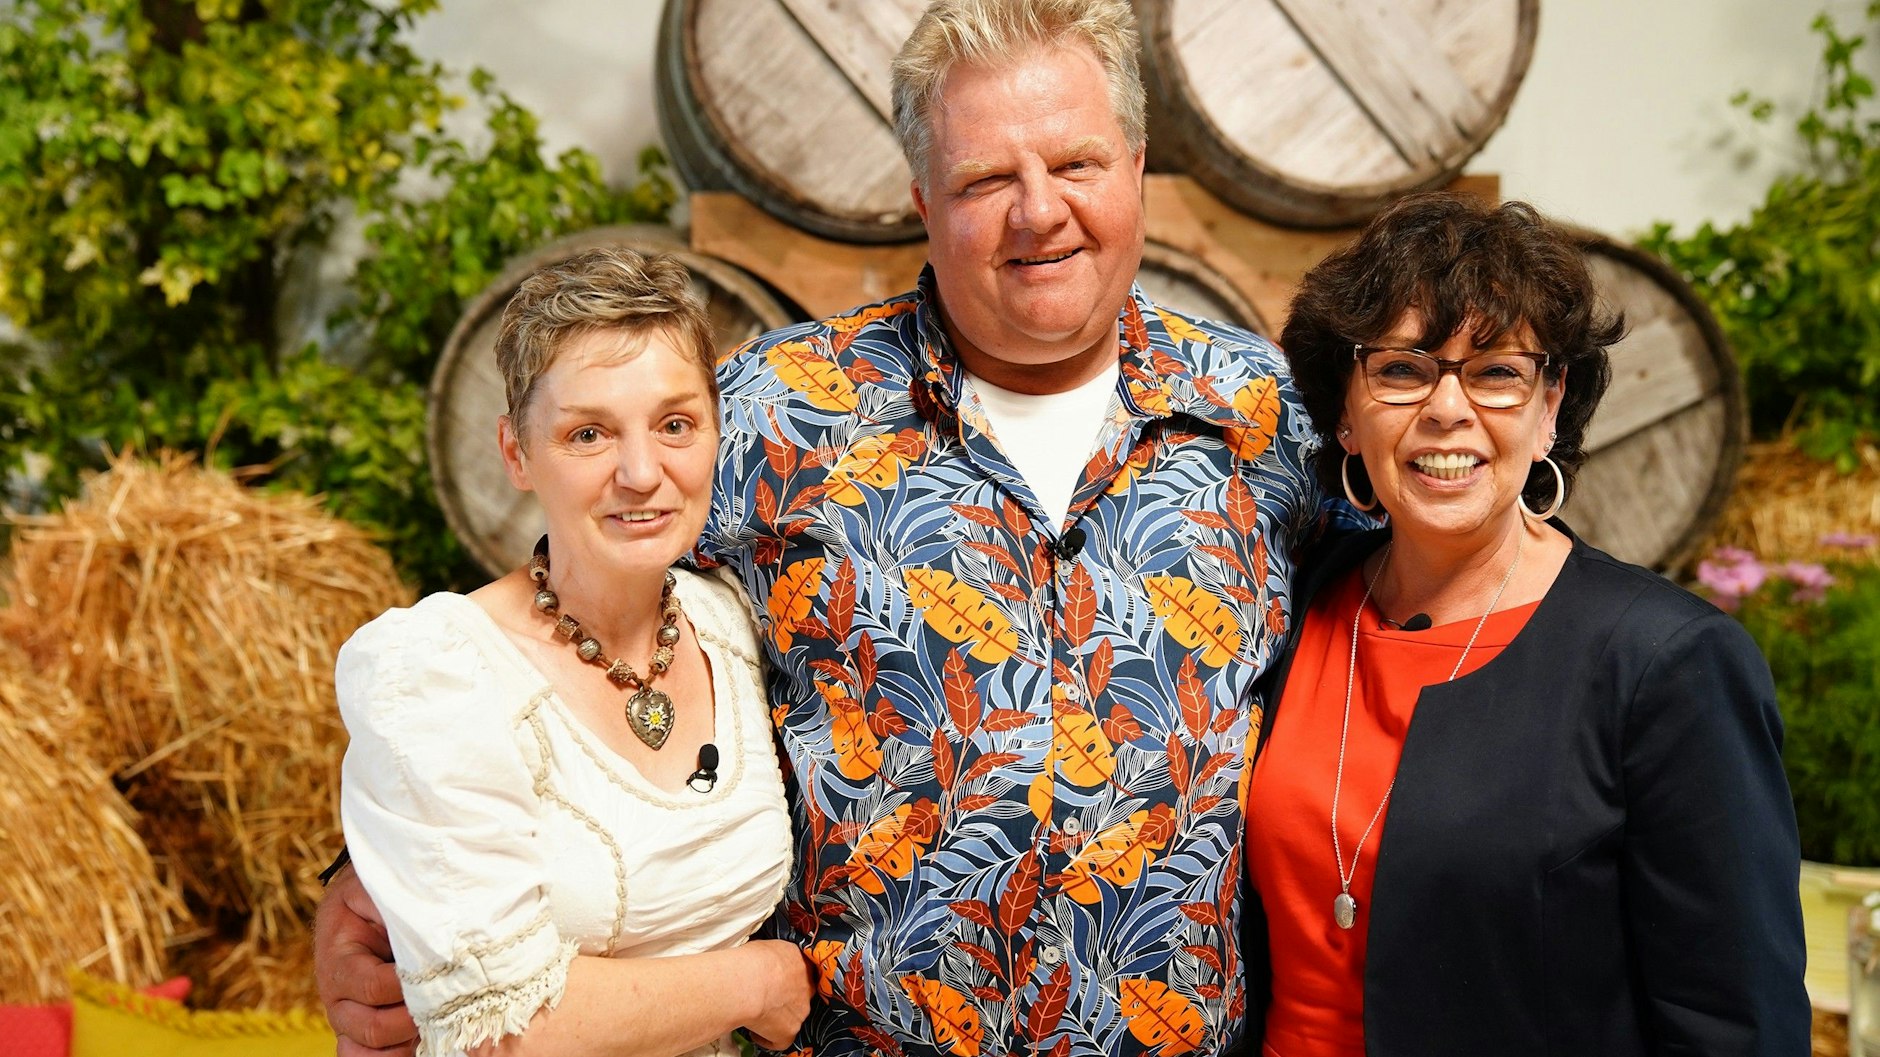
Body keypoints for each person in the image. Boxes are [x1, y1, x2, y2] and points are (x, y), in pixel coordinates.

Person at [318, 2, 1324, 1055]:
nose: (1037, 212)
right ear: (920, 197)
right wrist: (360, 876)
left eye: (1075, 164)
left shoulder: (1260, 416)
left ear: (1135, 164)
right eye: (984, 180)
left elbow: (1396, 640)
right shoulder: (776, 413)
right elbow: (553, 621)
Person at [1244, 192, 1810, 1057]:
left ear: (1551, 404)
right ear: (1346, 414)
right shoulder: (1293, 601)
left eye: (1497, 372)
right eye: (1402, 369)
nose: (1447, 408)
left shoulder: (1666, 664)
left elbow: (1737, 1026)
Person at [331, 246, 812, 1057]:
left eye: (674, 425)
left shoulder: (729, 620)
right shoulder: (437, 669)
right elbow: (498, 1034)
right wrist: (756, 982)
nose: (640, 471)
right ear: (516, 452)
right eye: (588, 433)